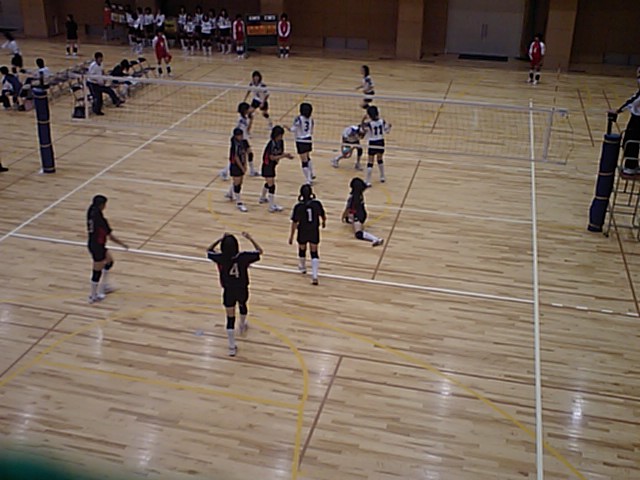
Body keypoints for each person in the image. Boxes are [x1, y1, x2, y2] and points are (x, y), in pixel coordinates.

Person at [206, 232, 263, 356]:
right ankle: (242, 325)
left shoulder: (221, 258)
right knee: (243, 305)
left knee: (230, 318)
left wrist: (219, 239)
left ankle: (231, 346)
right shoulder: (243, 257)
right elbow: (259, 251)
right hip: (242, 289)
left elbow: (208, 250)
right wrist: (250, 238)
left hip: (229, 291)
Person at [86, 195, 129, 304]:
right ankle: (93, 296)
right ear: (102, 205)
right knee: (97, 270)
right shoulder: (101, 221)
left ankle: (104, 285)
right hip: (97, 246)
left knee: (109, 262)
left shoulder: (91, 211)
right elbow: (111, 236)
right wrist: (122, 244)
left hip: (95, 243)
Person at [289, 184, 326, 285]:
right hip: (314, 230)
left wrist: (291, 236)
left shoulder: (298, 206)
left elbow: (294, 222)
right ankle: (315, 275)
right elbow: (322, 215)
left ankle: (302, 267)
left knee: (302, 249)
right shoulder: (317, 204)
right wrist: (323, 222)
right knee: (314, 252)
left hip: (303, 230)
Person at [613, 67, 640, 175]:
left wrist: (619, 110)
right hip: (636, 117)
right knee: (631, 142)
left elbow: (634, 101)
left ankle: (630, 167)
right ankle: (633, 165)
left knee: (630, 142)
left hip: (638, 119)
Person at [259, 125, 293, 212]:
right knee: (272, 185)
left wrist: (286, 155)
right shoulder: (271, 144)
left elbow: (280, 153)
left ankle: (262, 198)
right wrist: (284, 156)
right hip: (267, 165)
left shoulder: (281, 142)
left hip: (273, 165)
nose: (281, 137)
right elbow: (271, 157)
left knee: (268, 183)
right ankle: (271, 206)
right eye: (280, 135)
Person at [342, 177, 384, 246]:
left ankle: (376, 239)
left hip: (358, 216)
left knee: (358, 234)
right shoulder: (359, 194)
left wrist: (343, 216)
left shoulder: (352, 197)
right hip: (363, 213)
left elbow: (347, 209)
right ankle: (352, 220)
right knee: (350, 217)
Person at [87, 51, 124, 115]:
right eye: (99, 58)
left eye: (101, 58)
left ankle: (116, 101)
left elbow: (102, 71)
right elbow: (91, 77)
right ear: (96, 59)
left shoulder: (101, 64)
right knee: (98, 97)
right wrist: (98, 80)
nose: (101, 59)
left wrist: (104, 78)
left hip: (100, 83)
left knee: (109, 90)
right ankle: (96, 110)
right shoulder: (92, 66)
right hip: (93, 84)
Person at [363, 105, 391, 186]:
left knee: (370, 162)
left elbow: (363, 130)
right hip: (381, 141)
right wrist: (389, 127)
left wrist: (363, 120)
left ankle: (368, 181)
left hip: (373, 142)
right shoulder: (382, 121)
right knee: (380, 159)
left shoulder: (369, 124)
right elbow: (387, 131)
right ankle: (382, 176)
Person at [224, 128, 249, 212]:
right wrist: (242, 167)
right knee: (238, 184)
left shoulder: (242, 142)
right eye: (239, 136)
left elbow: (244, 153)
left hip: (241, 163)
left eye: (241, 135)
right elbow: (236, 157)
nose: (241, 137)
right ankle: (239, 203)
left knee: (239, 182)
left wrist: (245, 164)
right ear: (235, 136)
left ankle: (230, 193)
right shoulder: (234, 145)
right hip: (235, 165)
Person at [291, 102, 315, 184]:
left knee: (304, 161)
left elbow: (293, 129)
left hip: (300, 140)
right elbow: (311, 130)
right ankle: (312, 173)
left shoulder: (298, 118)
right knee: (307, 157)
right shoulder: (311, 119)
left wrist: (286, 127)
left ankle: (308, 180)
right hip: (308, 139)